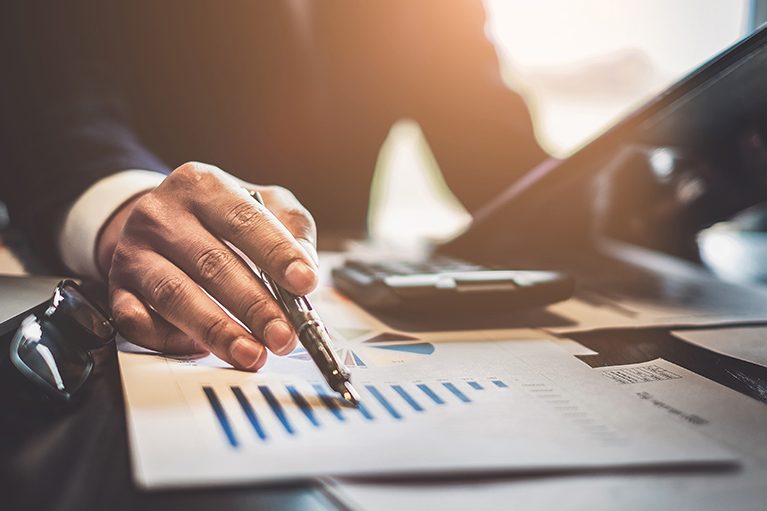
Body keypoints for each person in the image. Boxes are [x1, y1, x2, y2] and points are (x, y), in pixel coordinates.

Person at [2, 1, 546, 370]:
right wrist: (129, 209)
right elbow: (55, 101)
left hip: (336, 293)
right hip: (108, 314)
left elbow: (502, 161)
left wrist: (619, 193)